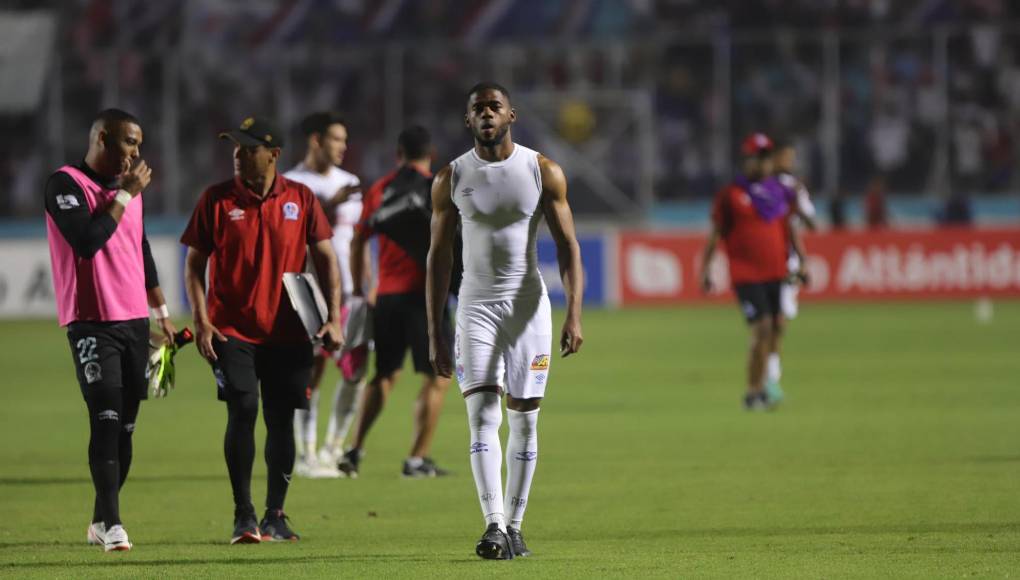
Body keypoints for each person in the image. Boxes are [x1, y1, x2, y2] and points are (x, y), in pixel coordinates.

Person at [427, 82, 584, 560]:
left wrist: (574, 312)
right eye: (478, 109)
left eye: (495, 107)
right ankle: (493, 524)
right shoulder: (450, 178)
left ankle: (515, 526)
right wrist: (435, 328)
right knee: (482, 416)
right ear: (468, 120)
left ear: (511, 115)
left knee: (526, 423)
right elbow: (438, 257)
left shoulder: (542, 171)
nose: (487, 114)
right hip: (475, 308)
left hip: (528, 309)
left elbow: (568, 246)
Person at [181, 117, 344, 544]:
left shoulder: (302, 199)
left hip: (289, 330)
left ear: (273, 154)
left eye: (248, 148)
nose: (237, 154)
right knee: (243, 408)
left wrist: (334, 317)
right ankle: (243, 514)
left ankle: (276, 514)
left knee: (280, 420)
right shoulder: (216, 200)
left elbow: (326, 258)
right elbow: (195, 266)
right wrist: (201, 319)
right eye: (235, 147)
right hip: (230, 329)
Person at [44, 109, 177, 552]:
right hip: (91, 322)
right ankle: (115, 525)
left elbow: (139, 249)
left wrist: (161, 314)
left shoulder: (130, 192)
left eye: (138, 145)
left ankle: (101, 519)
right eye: (129, 143)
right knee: (104, 419)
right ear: (103, 138)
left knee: (125, 430)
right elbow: (86, 240)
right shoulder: (65, 184)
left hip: (135, 321)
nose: (136, 153)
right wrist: (124, 195)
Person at [340, 125, 453, 479]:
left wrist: (362, 287)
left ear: (398, 155)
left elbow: (358, 240)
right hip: (425, 298)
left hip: (386, 296)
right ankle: (417, 459)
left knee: (384, 374)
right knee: (438, 377)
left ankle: (355, 450)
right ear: (430, 155)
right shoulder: (437, 187)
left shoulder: (380, 189)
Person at [283, 112, 368, 478]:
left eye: (345, 140)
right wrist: (329, 204)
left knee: (356, 372)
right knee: (311, 371)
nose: (343, 147)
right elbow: (294, 238)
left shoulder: (351, 182)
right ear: (316, 140)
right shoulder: (290, 183)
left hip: (352, 293)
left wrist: (369, 284)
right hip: (309, 292)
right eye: (336, 139)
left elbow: (358, 240)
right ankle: (306, 453)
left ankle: (334, 448)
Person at [701, 133, 804, 411]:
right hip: (746, 273)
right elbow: (716, 234)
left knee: (775, 329)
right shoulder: (731, 196)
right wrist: (706, 268)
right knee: (762, 328)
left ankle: (766, 386)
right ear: (746, 161)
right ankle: (752, 392)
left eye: (766, 157)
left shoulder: (779, 192)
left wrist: (801, 262)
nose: (763, 163)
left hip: (776, 271)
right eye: (758, 158)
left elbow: (789, 229)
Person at [768, 142, 817, 402]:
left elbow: (810, 222)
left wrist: (797, 201)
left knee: (779, 321)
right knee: (773, 321)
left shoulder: (794, 187)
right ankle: (770, 378)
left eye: (791, 156)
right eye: (785, 156)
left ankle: (770, 376)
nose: (788, 161)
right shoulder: (760, 187)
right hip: (767, 260)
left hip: (789, 262)